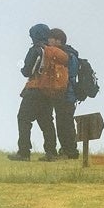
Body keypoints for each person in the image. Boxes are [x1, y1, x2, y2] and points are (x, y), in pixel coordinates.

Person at [10, 23, 68, 161]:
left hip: (34, 89)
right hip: (48, 91)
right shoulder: (52, 51)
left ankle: (24, 152)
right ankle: (51, 152)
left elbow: (27, 71)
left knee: (23, 119)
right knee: (47, 122)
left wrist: (21, 67)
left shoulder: (36, 50)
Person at [48, 28, 82, 160]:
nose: (48, 40)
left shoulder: (65, 55)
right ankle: (68, 149)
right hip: (68, 94)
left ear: (58, 40)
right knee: (64, 122)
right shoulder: (71, 53)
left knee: (64, 123)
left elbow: (68, 75)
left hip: (66, 94)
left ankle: (70, 151)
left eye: (51, 38)